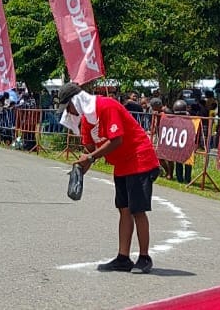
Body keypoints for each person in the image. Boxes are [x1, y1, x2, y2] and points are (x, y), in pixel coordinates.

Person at [58, 82, 161, 274]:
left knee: (138, 210)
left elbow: (117, 140)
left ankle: (145, 257)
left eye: (69, 107)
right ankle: (123, 257)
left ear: (76, 101)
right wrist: (81, 167)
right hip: (122, 164)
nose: (70, 112)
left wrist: (90, 157)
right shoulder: (87, 120)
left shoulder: (107, 106)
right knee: (124, 210)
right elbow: (90, 149)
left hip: (139, 159)